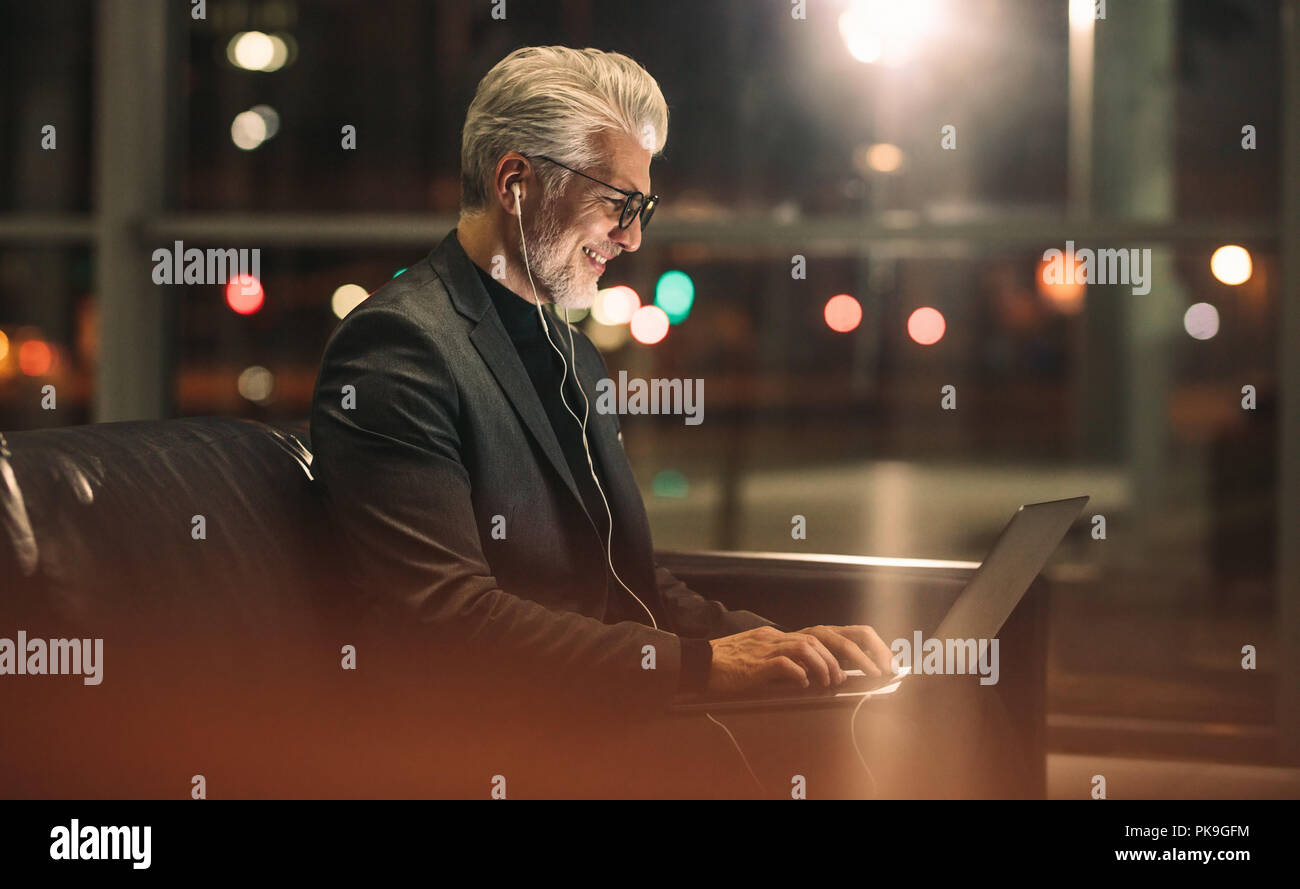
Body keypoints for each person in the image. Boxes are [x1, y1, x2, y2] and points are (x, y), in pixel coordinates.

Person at [308, 46, 895, 725]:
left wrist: (777, 641)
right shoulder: (397, 350)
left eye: (643, 204)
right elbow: (447, 622)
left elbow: (631, 583)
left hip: (596, 723)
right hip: (487, 747)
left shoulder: (573, 354)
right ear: (516, 183)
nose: (634, 236)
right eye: (619, 201)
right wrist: (703, 667)